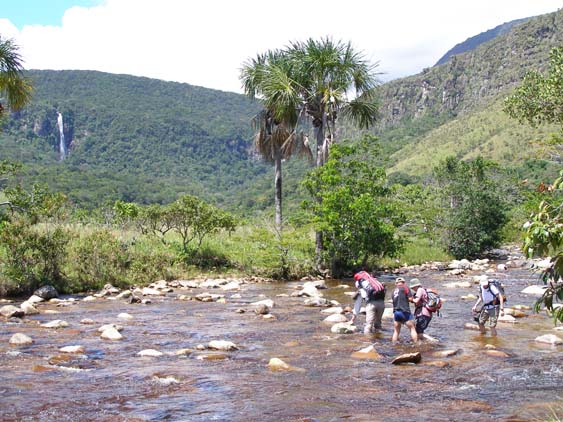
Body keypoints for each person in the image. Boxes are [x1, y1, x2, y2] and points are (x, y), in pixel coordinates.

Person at [391, 277, 418, 343]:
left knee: (396, 331)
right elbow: (410, 299)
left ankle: (393, 344)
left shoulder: (393, 291)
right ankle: (417, 344)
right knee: (412, 328)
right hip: (404, 311)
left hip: (396, 312)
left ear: (396, 284)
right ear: (404, 283)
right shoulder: (405, 288)